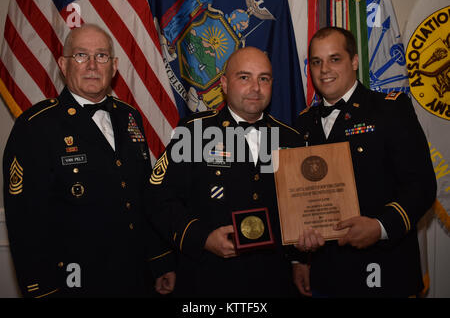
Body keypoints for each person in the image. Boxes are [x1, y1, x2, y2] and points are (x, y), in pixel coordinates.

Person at [3, 24, 174, 297]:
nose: (93, 65)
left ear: (114, 65)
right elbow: (26, 222)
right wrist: (42, 291)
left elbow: (143, 197)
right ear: (63, 64)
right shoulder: (36, 127)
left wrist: (160, 260)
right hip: (76, 284)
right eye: (81, 55)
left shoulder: (130, 117)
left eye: (102, 56)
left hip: (136, 278)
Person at [293, 27, 437, 297]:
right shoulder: (302, 124)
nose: (324, 69)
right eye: (316, 62)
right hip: (326, 275)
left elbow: (422, 186)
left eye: (335, 59)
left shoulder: (390, 109)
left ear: (355, 62)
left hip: (384, 267)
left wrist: (380, 226)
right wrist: (299, 259)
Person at [148, 46, 302, 297]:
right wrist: (201, 237)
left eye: (264, 78)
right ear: (224, 84)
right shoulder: (194, 133)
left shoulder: (291, 138)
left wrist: (301, 255)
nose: (255, 87)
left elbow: (299, 209)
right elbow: (158, 197)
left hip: (273, 280)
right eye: (244, 77)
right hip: (209, 279)